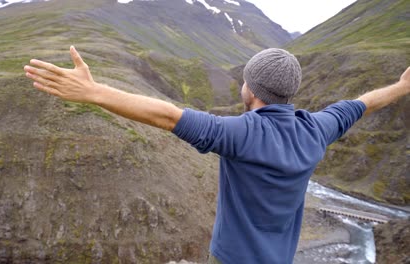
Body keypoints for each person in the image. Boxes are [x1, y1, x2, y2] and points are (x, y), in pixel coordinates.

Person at [24, 46, 410, 264]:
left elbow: (165, 115)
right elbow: (362, 105)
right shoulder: (318, 129)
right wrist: (401, 86)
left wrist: (94, 93)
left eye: (245, 80)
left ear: (252, 90)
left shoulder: (239, 134)